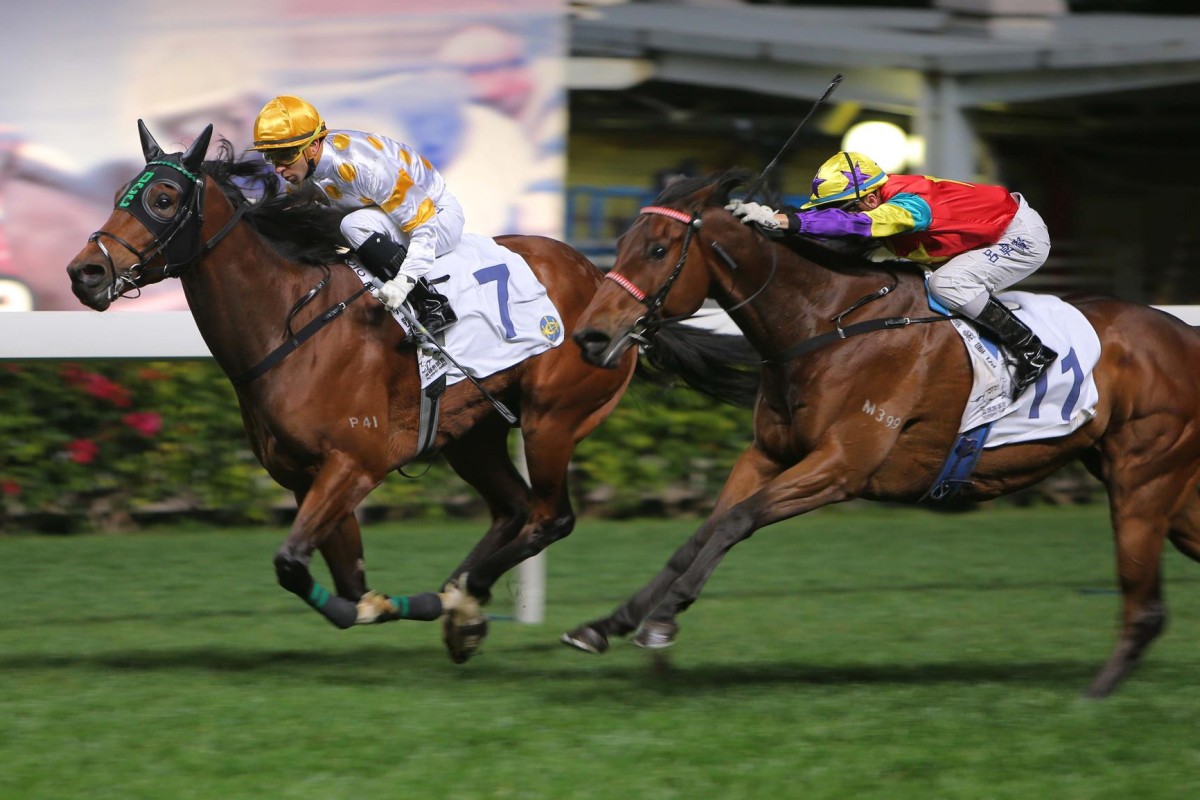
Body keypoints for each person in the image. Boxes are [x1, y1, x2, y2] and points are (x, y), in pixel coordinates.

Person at [728, 151, 1056, 394]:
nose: (836, 216)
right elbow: (838, 225)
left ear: (871, 198)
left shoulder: (910, 205)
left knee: (948, 284)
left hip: (1018, 237)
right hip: (978, 237)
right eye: (830, 210)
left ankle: (1032, 350)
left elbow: (855, 224)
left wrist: (786, 221)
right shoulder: (877, 200)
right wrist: (771, 219)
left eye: (841, 208)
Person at [249, 95, 464, 333]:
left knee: (353, 224)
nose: (279, 168)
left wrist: (404, 281)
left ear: (313, 146)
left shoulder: (367, 167)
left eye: (285, 156)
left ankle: (433, 304)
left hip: (437, 218)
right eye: (271, 157)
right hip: (385, 216)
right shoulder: (304, 170)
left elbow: (424, 226)